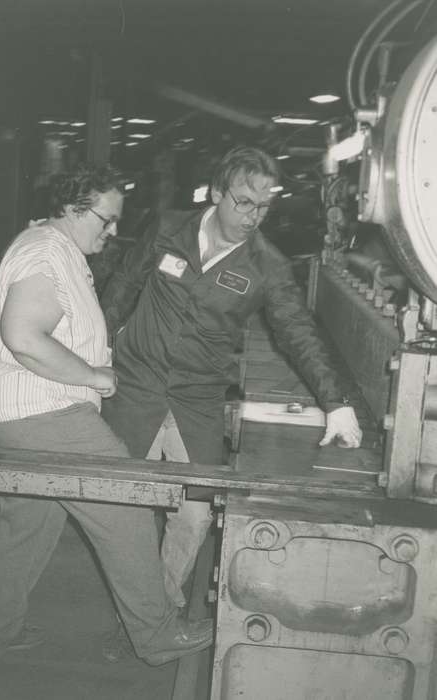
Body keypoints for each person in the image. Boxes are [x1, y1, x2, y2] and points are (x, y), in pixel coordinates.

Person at [0, 163, 212, 666]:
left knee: (29, 522)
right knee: (125, 506)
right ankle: (158, 635)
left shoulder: (57, 250)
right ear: (75, 210)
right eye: (106, 219)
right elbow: (23, 336)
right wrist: (95, 378)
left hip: (14, 411)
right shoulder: (44, 251)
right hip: (45, 412)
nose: (114, 230)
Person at [101, 146, 363, 608]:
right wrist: (96, 346)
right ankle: (132, 597)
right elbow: (124, 284)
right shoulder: (167, 228)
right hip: (134, 388)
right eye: (243, 201)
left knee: (196, 515)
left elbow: (297, 331)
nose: (253, 216)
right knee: (121, 507)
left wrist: (335, 403)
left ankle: (153, 607)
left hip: (196, 404)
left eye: (263, 205)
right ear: (216, 193)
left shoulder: (268, 266)